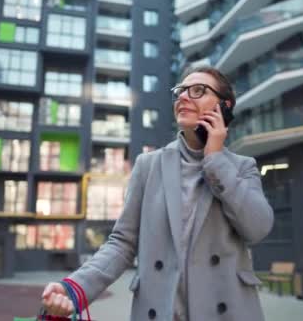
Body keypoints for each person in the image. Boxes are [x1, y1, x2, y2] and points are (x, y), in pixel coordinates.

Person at [41, 66, 274, 321]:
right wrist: (74, 288)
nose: (183, 97)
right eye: (181, 91)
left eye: (198, 91)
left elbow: (258, 228)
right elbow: (122, 243)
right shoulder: (148, 165)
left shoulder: (242, 167)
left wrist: (215, 159)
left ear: (224, 106)